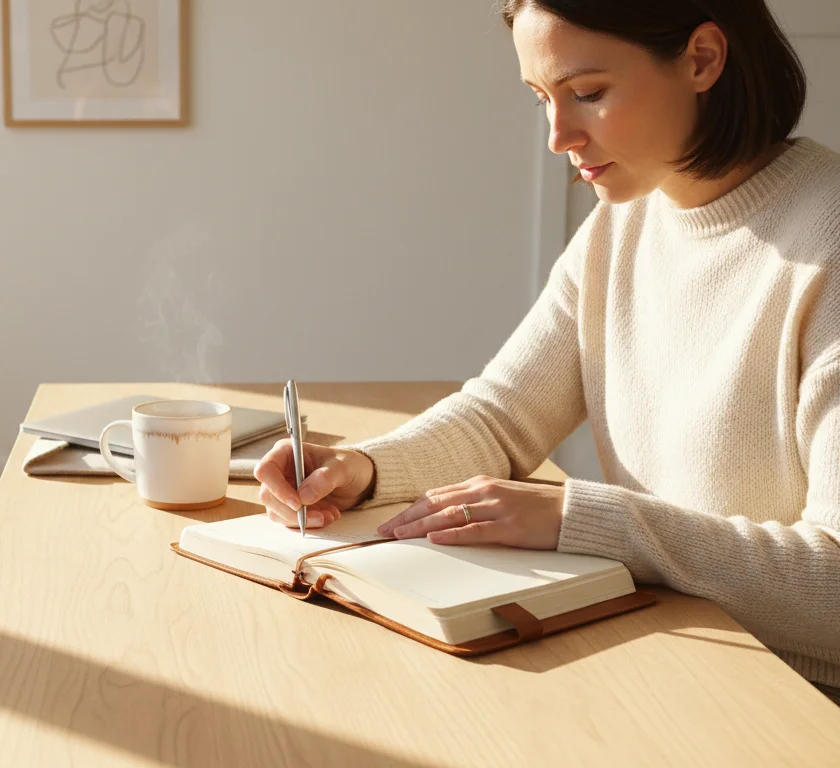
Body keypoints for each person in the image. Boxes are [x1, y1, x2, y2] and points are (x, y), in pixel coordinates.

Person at [254, 0, 840, 704]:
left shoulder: (826, 243)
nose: (559, 135)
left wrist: (585, 521)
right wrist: (362, 468)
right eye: (541, 98)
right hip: (674, 662)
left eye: (588, 93)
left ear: (703, 59)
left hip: (795, 703)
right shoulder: (621, 224)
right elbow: (501, 419)